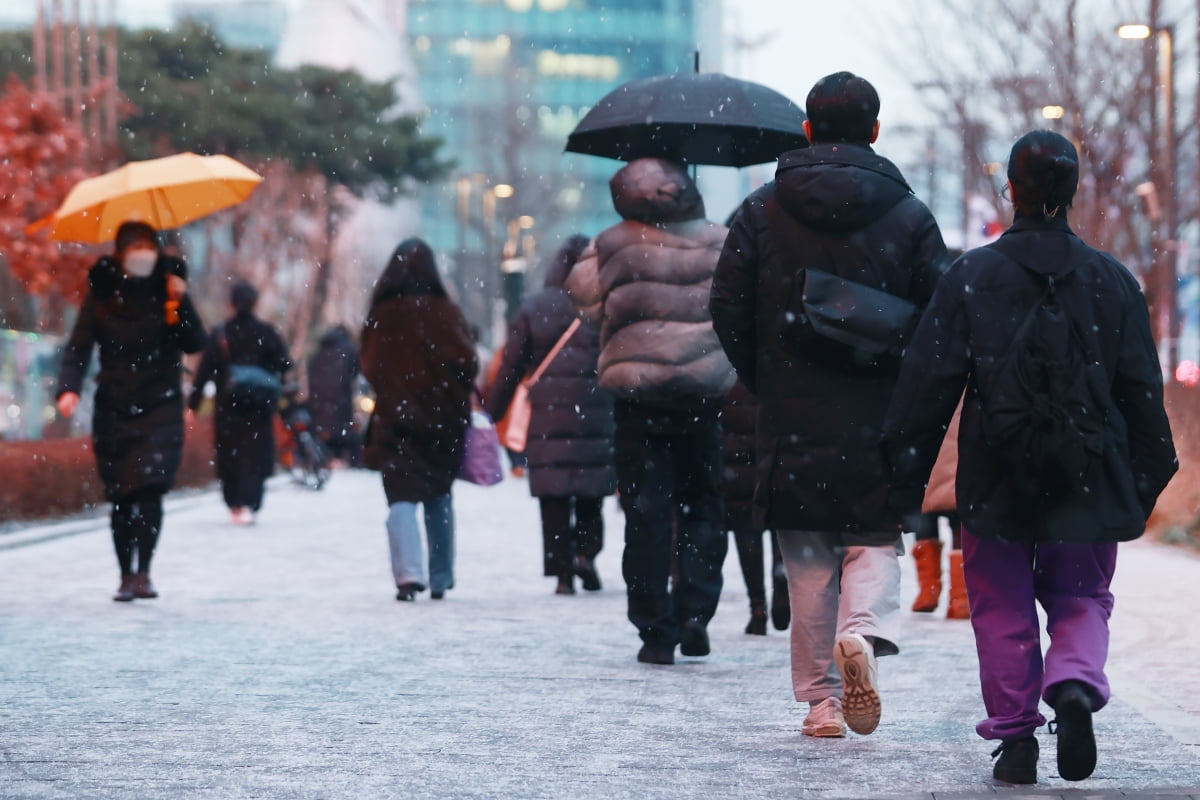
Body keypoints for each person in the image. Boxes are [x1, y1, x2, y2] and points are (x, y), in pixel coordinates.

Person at [882, 130, 1177, 785]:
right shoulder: (1112, 282)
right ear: (1072, 192)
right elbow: (1139, 392)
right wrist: (1145, 477)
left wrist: (901, 469)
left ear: (1011, 189)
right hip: (1088, 470)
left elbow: (928, 384)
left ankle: (1016, 740)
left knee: (1001, 605)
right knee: (1082, 596)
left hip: (999, 471)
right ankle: (1072, 684)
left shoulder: (973, 277)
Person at [710, 71, 948, 737]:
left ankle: (821, 703)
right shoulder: (910, 216)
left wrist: (763, 372)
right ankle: (864, 636)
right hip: (880, 409)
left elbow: (724, 303)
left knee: (809, 558)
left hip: (791, 410)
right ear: (875, 130)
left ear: (808, 130)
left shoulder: (760, 211)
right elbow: (942, 313)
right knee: (873, 540)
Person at [566, 157, 734, 665]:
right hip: (702, 396)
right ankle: (695, 613)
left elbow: (587, 304)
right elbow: (734, 303)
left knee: (645, 515)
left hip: (638, 399)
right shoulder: (718, 239)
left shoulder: (612, 242)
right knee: (704, 508)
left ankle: (654, 629)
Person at [56, 220, 208, 601]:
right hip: (115, 404)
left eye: (149, 245)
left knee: (150, 488)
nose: (144, 254)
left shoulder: (169, 290)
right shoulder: (102, 295)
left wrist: (180, 301)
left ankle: (145, 573)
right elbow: (78, 347)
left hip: (160, 404)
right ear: (120, 253)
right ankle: (125, 574)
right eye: (135, 246)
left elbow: (194, 342)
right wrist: (68, 388)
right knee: (122, 494)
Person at [488, 234, 616, 595]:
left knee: (554, 495)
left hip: (546, 416)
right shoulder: (603, 304)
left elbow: (511, 366)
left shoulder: (535, 306)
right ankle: (586, 555)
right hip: (594, 411)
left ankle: (562, 572)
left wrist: (492, 411)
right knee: (590, 491)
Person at [361, 238, 478, 602]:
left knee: (400, 496)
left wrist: (397, 390)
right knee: (438, 494)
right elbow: (467, 362)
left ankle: (408, 575)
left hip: (396, 420)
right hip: (443, 419)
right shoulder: (446, 311)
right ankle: (441, 576)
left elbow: (368, 364)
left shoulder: (382, 315)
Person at [188, 281, 292, 525]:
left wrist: (192, 404)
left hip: (228, 407)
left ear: (232, 303)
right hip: (259, 407)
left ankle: (235, 503)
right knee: (256, 456)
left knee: (230, 456)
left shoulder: (221, 333)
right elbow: (284, 364)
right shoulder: (267, 332)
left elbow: (203, 372)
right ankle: (250, 503)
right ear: (255, 303)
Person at [720, 380, 788, 635]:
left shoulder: (727, 373)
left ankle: (757, 607)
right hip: (774, 462)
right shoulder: (777, 366)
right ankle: (781, 577)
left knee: (746, 533)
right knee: (780, 528)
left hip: (737, 466)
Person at [909, 402, 968, 619]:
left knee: (925, 514)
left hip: (929, 449)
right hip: (961, 451)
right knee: (959, 523)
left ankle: (928, 591)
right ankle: (961, 599)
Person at [307, 324, 361, 467]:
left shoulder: (319, 351)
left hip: (318, 400)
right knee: (343, 431)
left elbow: (310, 371)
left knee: (325, 430)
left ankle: (324, 459)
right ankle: (347, 462)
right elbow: (356, 370)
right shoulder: (349, 348)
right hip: (340, 398)